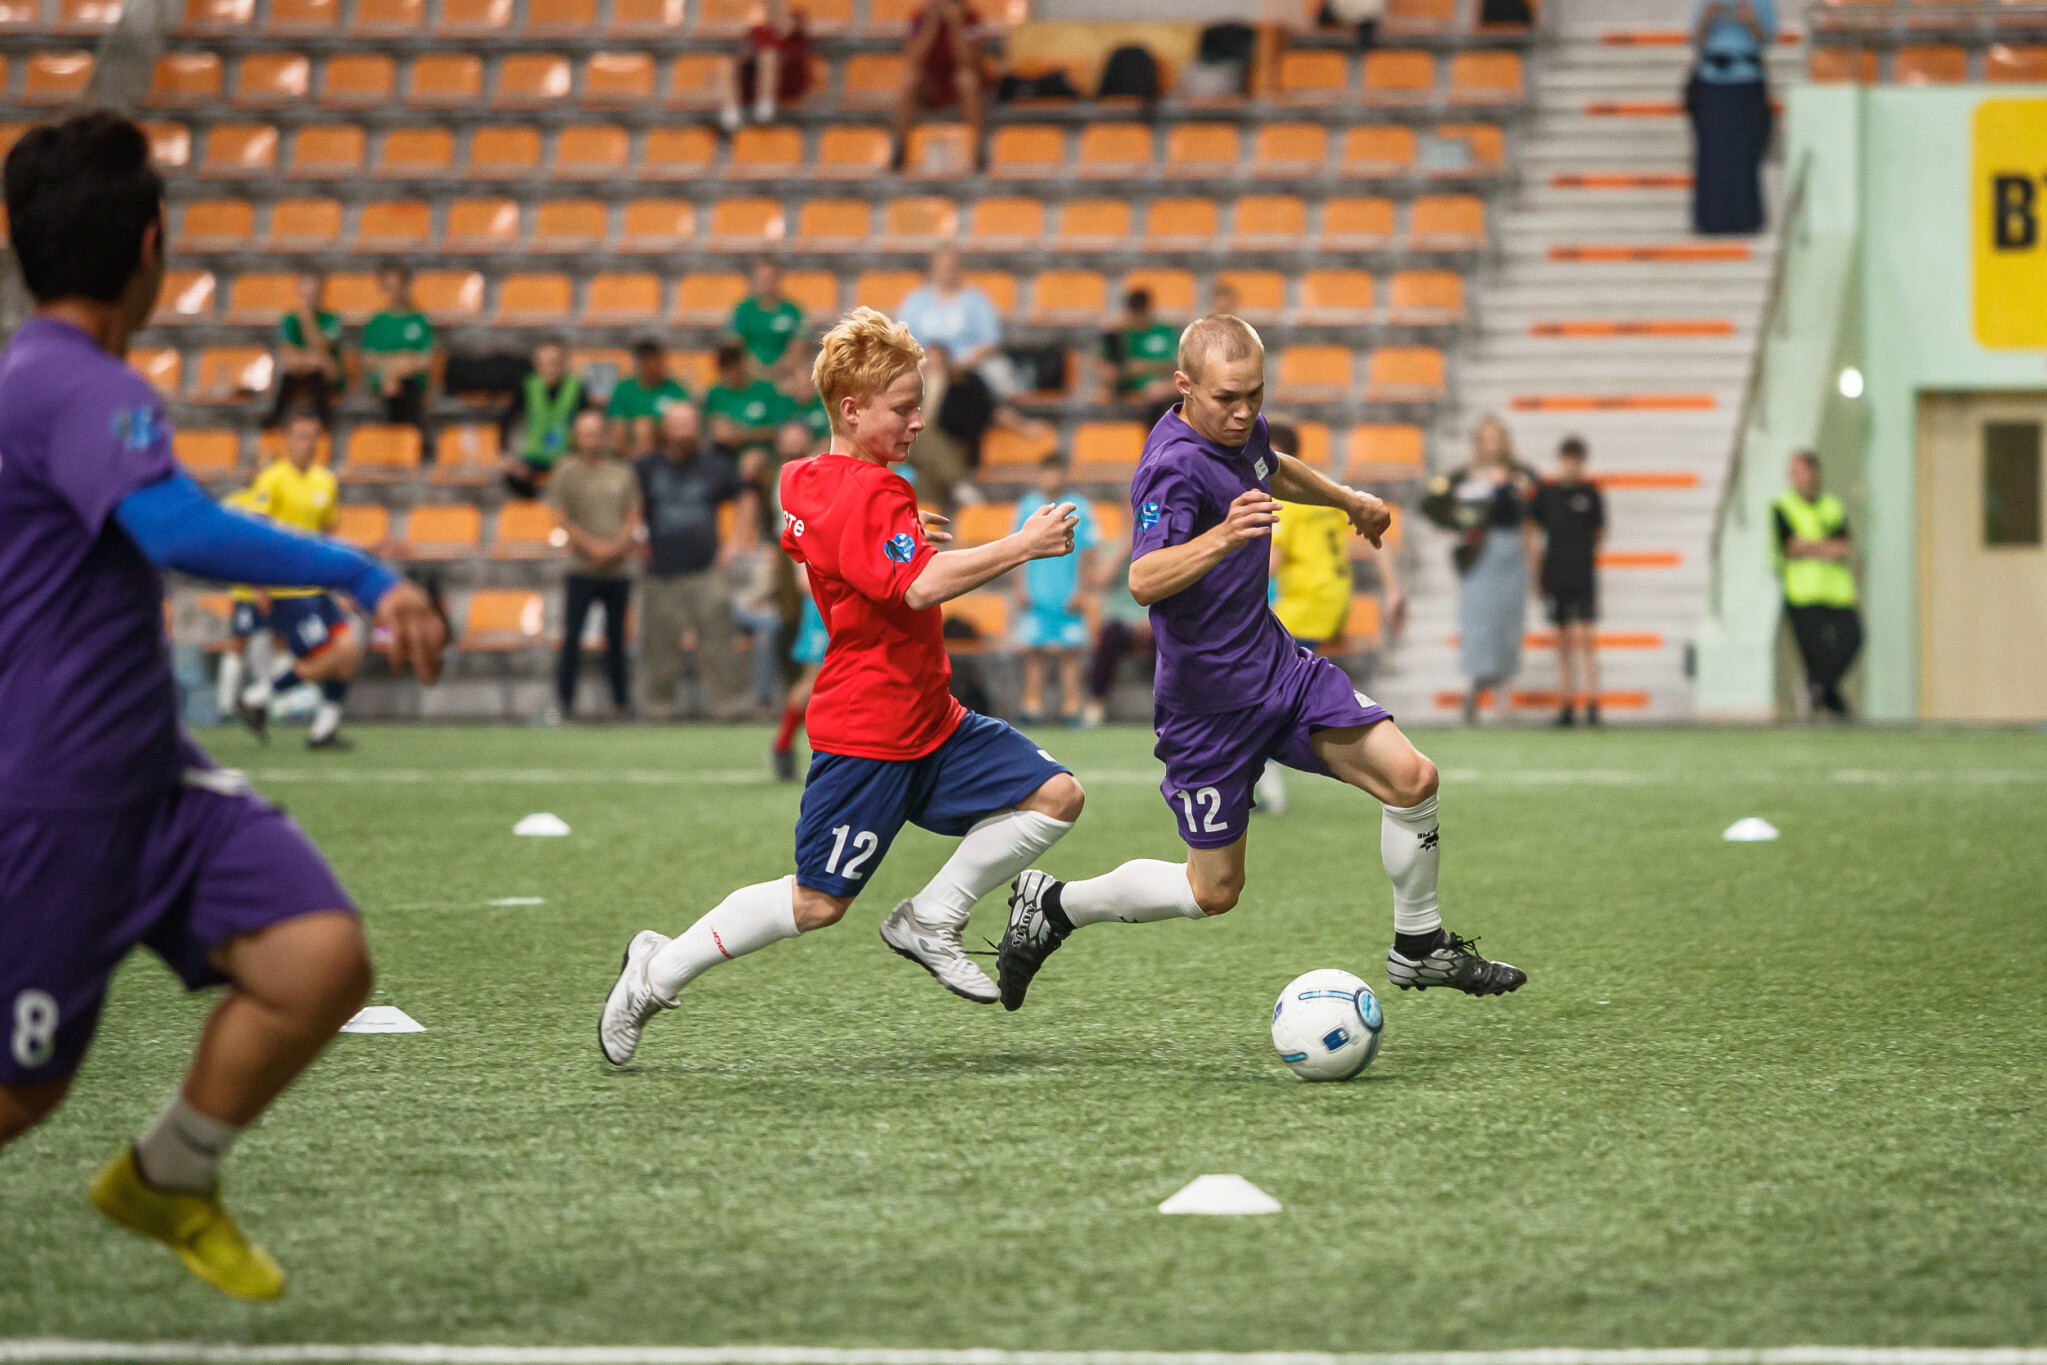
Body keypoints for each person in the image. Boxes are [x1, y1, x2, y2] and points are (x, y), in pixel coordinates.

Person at [0, 111, 445, 1302]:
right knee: (23, 1090)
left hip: (152, 776)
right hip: (56, 795)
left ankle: (169, 1174)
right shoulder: (73, 384)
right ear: (153, 244)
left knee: (319, 957)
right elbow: (176, 531)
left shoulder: (50, 382)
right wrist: (363, 573)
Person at [992, 315, 1525, 1015]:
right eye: (1227, 398)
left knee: (1412, 778)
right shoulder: (1172, 466)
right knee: (1212, 890)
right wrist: (1221, 536)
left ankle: (1419, 944)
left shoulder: (1240, 430)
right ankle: (1055, 905)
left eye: (1255, 394)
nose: (1244, 412)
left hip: (1278, 670)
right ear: (1184, 386)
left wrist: (1346, 499)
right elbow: (1143, 579)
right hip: (1207, 706)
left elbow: (1272, 465)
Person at [598, 307, 1085, 1059]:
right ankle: (655, 972)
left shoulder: (805, 478)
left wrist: (897, 536)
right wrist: (1022, 544)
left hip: (931, 716)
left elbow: (823, 538)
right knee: (818, 900)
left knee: (1057, 795)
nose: (917, 421)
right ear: (851, 410)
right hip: (870, 731)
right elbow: (918, 588)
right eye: (903, 408)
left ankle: (931, 918)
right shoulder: (873, 494)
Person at [1257, 419, 1406, 815]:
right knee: (1268, 689)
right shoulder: (1323, 490)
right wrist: (1393, 590)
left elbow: (1271, 562)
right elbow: (1376, 534)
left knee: (1260, 693)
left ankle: (1268, 785)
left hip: (1304, 605)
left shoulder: (1283, 501)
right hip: (1333, 600)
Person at [232, 411, 365, 751]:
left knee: (349, 650)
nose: (308, 444)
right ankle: (258, 695)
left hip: (318, 586)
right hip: (286, 589)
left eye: (314, 437)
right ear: (287, 440)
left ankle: (322, 727)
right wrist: (257, 585)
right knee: (329, 654)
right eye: (301, 436)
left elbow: (327, 536)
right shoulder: (272, 479)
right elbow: (254, 535)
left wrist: (341, 582)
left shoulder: (326, 481)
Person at [636, 403, 757, 721]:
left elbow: (746, 495)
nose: (684, 432)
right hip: (661, 572)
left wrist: (735, 543)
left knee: (721, 645)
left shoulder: (714, 464)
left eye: (689, 425)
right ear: (665, 430)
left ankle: (733, 707)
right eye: (677, 425)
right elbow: (630, 506)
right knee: (659, 648)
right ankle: (658, 711)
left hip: (707, 571)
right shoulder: (646, 466)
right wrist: (636, 540)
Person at [1421, 416, 1540, 725]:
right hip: (1479, 555)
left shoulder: (1520, 475)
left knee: (1508, 624)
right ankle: (1473, 692)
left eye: (1496, 438)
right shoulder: (1464, 476)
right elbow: (1431, 504)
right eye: (1486, 439)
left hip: (1511, 552)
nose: (1492, 445)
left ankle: (1503, 697)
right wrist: (1460, 524)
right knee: (1478, 625)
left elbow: (1531, 515)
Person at [545, 409, 640, 720]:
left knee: (617, 640)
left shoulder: (622, 472)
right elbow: (559, 518)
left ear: (606, 435)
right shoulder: (565, 472)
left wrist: (617, 546)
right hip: (580, 569)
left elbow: (633, 514)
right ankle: (564, 703)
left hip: (618, 570)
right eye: (585, 433)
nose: (591, 439)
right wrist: (592, 547)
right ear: (576, 436)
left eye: (597, 432)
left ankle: (621, 704)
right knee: (572, 638)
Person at [1011, 454, 1100, 725]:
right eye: (1047, 472)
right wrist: (1019, 587)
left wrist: (1082, 591)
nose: (1053, 477)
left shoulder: (1080, 507)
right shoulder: (1027, 507)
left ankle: (1072, 708)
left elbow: (1087, 553)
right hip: (1036, 591)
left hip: (1067, 592)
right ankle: (1032, 707)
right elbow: (1015, 549)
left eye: (1057, 472)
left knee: (1070, 653)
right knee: (1033, 652)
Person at [1774, 449, 1860, 719]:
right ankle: (1832, 703)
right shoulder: (1783, 506)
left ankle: (1817, 690)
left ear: (1814, 472)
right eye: (1793, 472)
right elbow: (1790, 547)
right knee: (1817, 654)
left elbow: (1843, 546)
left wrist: (1809, 547)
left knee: (1853, 639)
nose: (1795, 477)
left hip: (1837, 592)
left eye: (1800, 471)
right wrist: (1824, 548)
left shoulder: (1832, 506)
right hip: (1802, 592)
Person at [1530, 435, 1606, 727]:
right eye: (1568, 459)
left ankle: (1592, 704)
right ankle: (1566, 705)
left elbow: (1600, 533)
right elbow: (1534, 532)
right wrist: (1539, 573)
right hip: (1556, 574)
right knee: (1562, 643)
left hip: (1582, 574)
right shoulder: (1547, 494)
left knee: (1586, 639)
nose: (1571, 465)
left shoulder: (1591, 494)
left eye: (1577, 460)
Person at [1686, 0, 1776, 235]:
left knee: (1744, 153)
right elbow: (1695, 40)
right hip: (1712, 80)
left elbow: (1767, 39)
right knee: (1713, 153)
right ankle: (1710, 219)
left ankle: (1745, 218)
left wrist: (1749, 20)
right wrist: (1708, 17)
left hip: (1746, 80)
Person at [892, 0, 989, 173]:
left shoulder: (971, 18)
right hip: (929, 86)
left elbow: (970, 62)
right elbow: (913, 59)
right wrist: (931, 26)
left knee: (967, 80)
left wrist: (956, 26)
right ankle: (900, 151)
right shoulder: (918, 18)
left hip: (956, 89)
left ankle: (976, 151)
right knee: (910, 79)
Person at [1082, 525, 1151, 728]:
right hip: (1121, 619)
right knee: (1108, 637)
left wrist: (1149, 619)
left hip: (1150, 619)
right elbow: (1101, 582)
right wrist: (1124, 550)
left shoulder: (1157, 547)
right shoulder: (1112, 547)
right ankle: (1097, 702)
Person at [770, 562, 830, 782]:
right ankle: (783, 744)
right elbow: (803, 580)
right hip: (823, 603)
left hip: (843, 601)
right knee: (813, 680)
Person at [502, 338, 584, 498]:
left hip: (566, 457)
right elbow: (506, 420)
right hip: (533, 457)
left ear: (564, 363)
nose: (550, 368)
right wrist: (506, 456)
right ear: (536, 364)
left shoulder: (576, 388)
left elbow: (587, 422)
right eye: (545, 363)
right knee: (513, 477)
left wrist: (577, 455)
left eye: (555, 362)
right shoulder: (527, 386)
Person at [360, 263, 433, 437]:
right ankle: (409, 441)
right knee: (392, 384)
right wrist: (396, 364)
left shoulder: (419, 320)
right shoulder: (376, 322)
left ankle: (402, 440)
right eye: (389, 287)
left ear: (406, 286)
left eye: (397, 286)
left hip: (411, 382)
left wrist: (396, 368)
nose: (394, 292)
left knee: (399, 385)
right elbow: (368, 360)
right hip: (383, 382)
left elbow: (426, 360)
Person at [720, 0, 812, 133]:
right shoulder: (758, 29)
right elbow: (748, 51)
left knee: (768, 55)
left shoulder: (796, 21)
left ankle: (766, 105)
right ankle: (730, 110)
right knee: (726, 63)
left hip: (786, 80)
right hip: (755, 82)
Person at [268, 271, 340, 430]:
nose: (310, 299)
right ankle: (273, 426)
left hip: (326, 378)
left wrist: (307, 321)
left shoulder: (331, 320)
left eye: (314, 293)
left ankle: (325, 426)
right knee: (293, 374)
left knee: (315, 377)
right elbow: (290, 358)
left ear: (322, 294)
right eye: (306, 294)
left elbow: (322, 348)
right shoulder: (289, 320)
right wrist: (316, 361)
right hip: (299, 374)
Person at [702, 340, 787, 461]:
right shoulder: (715, 393)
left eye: (734, 365)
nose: (732, 372)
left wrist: (743, 434)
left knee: (751, 460)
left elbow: (779, 429)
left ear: (744, 363)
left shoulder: (766, 390)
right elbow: (710, 427)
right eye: (727, 367)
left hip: (761, 452)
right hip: (723, 454)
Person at [606, 339, 691, 458]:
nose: (653, 365)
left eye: (657, 359)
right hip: (631, 451)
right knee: (641, 427)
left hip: (668, 453)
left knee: (644, 427)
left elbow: (685, 426)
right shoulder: (624, 389)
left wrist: (654, 428)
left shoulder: (676, 390)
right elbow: (617, 425)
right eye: (647, 360)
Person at [1101, 287, 1179, 412]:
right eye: (1135, 310)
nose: (1139, 316)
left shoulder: (1164, 331)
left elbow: (1178, 363)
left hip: (1166, 389)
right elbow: (1109, 371)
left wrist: (1144, 367)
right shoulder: (1120, 335)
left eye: (1142, 309)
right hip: (1134, 392)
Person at [730, 258, 805, 380]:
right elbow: (733, 345)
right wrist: (753, 369)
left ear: (779, 278)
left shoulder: (793, 311)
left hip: (785, 377)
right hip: (749, 375)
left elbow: (798, 348)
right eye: (762, 278)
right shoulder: (743, 310)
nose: (767, 282)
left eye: (770, 278)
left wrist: (779, 370)